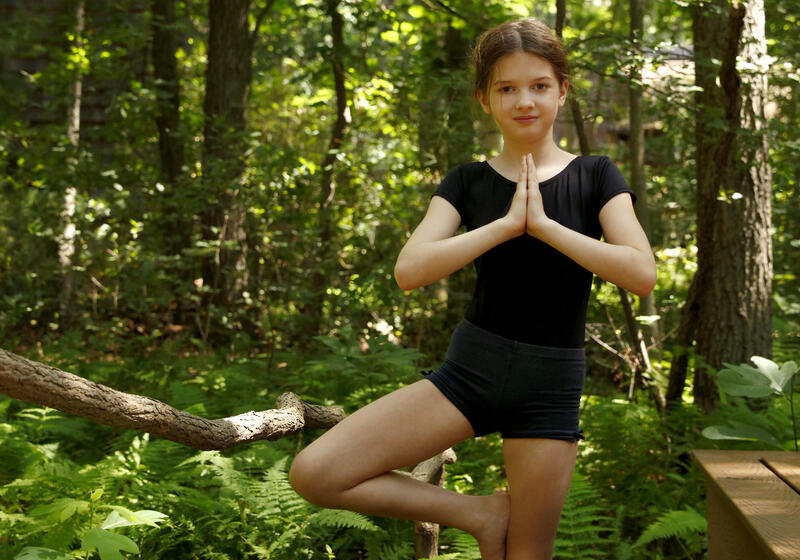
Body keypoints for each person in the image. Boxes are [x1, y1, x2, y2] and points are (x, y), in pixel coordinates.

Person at [289, 17, 656, 560]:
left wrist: (544, 227)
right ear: (485, 99)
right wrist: (505, 225)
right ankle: (480, 513)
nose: (524, 101)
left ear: (562, 90)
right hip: (470, 372)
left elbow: (641, 273)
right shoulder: (467, 181)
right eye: (506, 88)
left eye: (539, 85)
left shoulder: (597, 175)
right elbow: (409, 271)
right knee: (315, 472)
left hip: (550, 384)